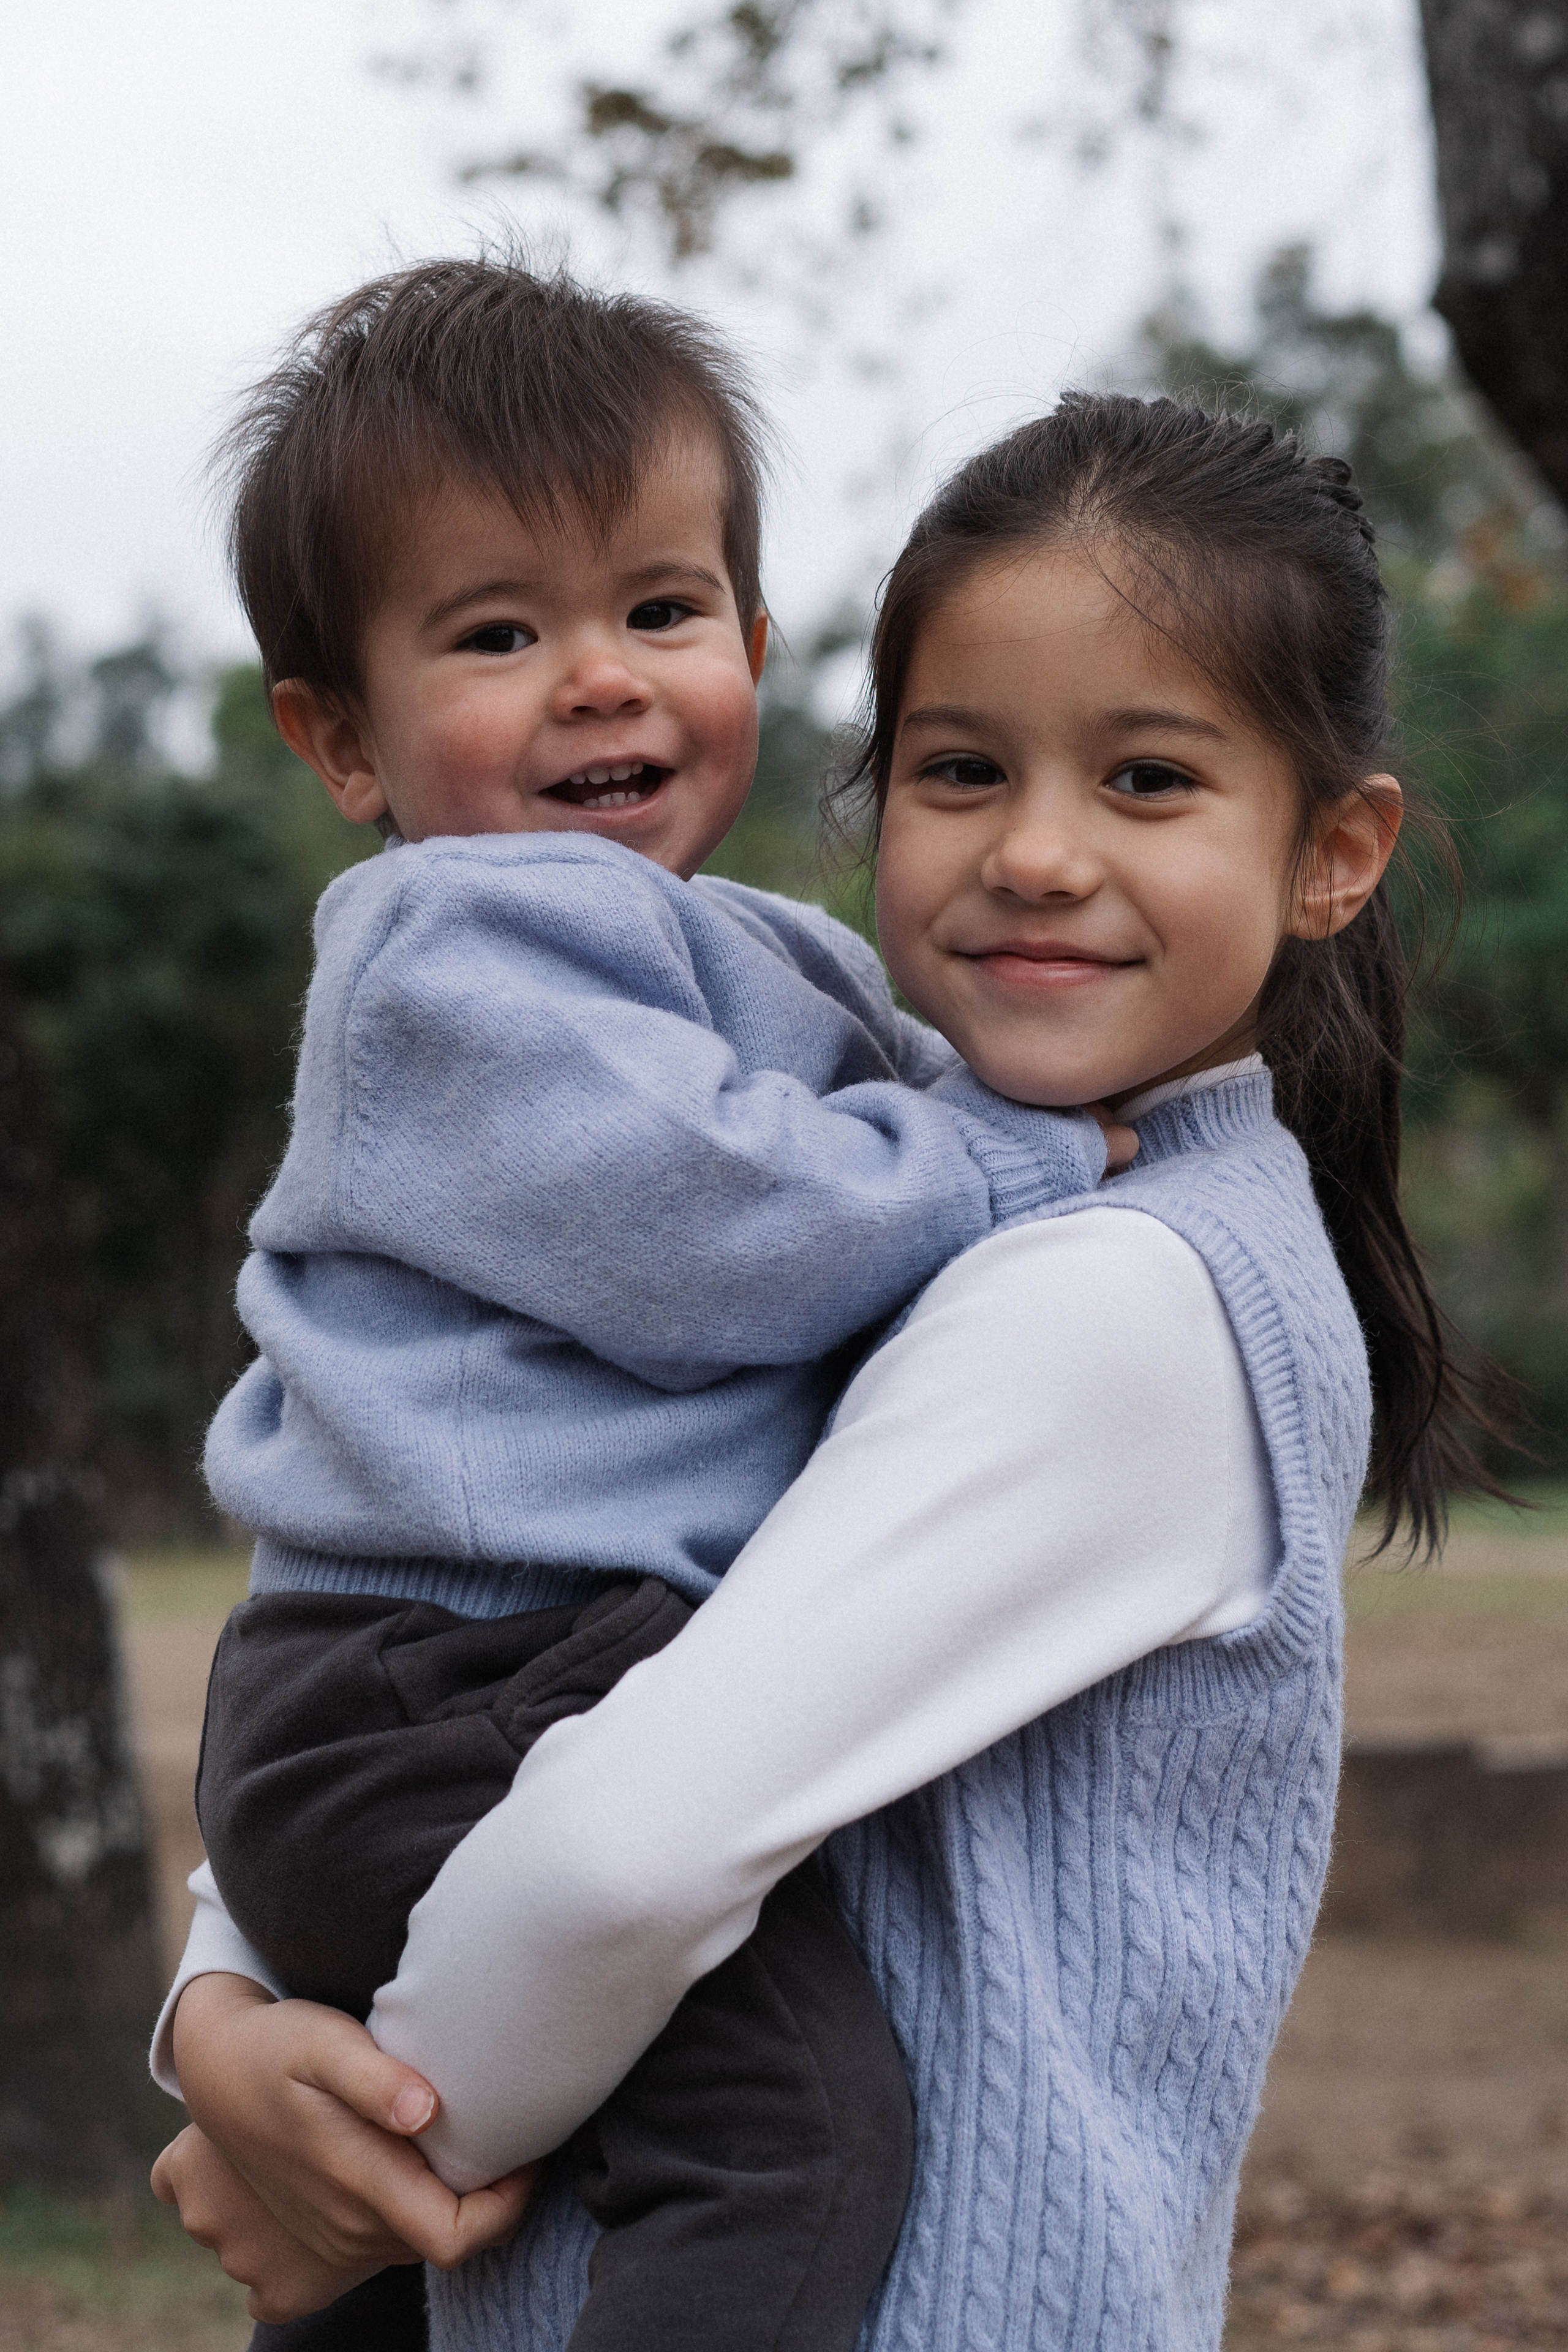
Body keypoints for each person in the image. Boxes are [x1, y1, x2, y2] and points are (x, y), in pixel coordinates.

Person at [156, 392, 1503, 2349]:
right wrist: (218, 2011)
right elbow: (477, 1623)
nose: (1037, 853)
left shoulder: (1116, 1298)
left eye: (1146, 780)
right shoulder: (894, 1155)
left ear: (1332, 848)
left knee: (781, 2126)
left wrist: (347, 2168)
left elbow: (617, 1851)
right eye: (963, 769)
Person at [157, 257, 1128, 2352]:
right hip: (442, 1677)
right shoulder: (448, 956)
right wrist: (1022, 1163)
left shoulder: (763, 949)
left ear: (757, 648)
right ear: (341, 735)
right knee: (789, 2129)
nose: (600, 678)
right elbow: (720, 1229)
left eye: (659, 612)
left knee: (399, 2220)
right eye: (499, 633)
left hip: (489, 1676)